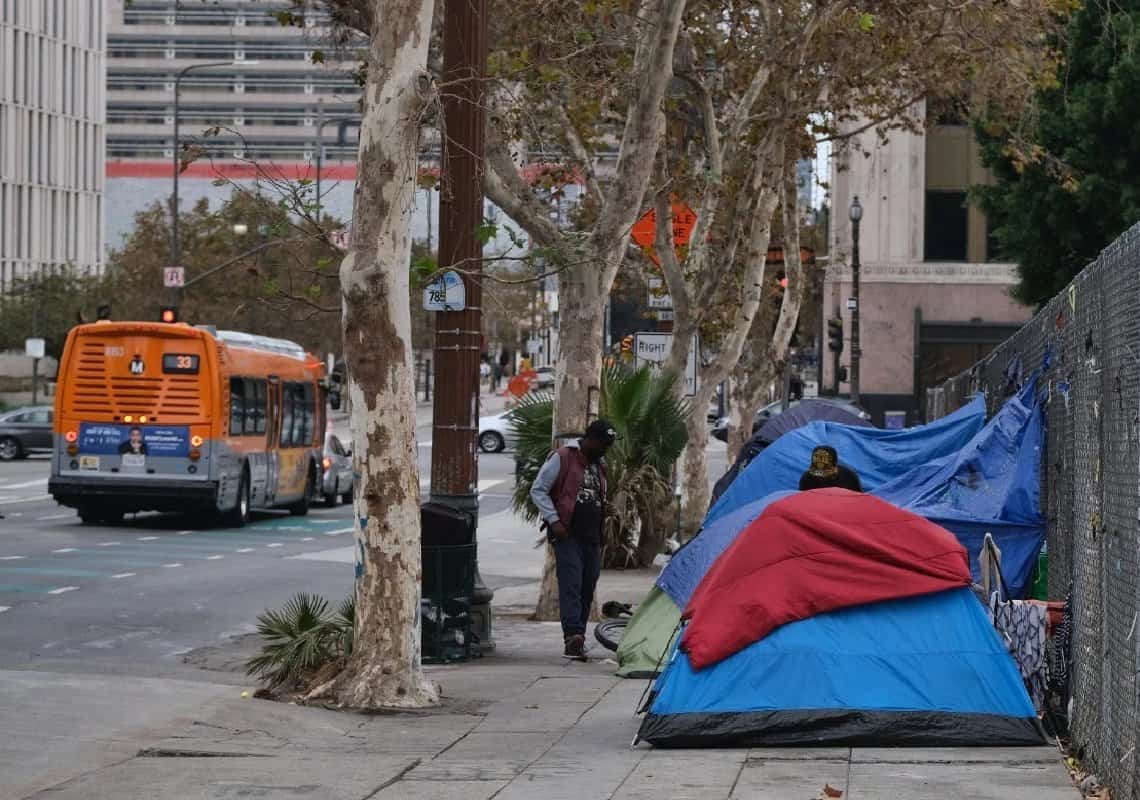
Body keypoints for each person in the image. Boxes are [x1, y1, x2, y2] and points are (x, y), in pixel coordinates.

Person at [530, 419, 619, 660]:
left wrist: (604, 508)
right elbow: (538, 490)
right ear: (590, 439)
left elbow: (595, 495)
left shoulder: (600, 464)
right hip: (567, 534)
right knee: (571, 585)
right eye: (602, 444)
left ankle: (578, 632)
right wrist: (554, 521)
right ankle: (573, 638)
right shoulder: (564, 456)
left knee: (587, 585)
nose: (605, 449)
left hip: (592, 536)